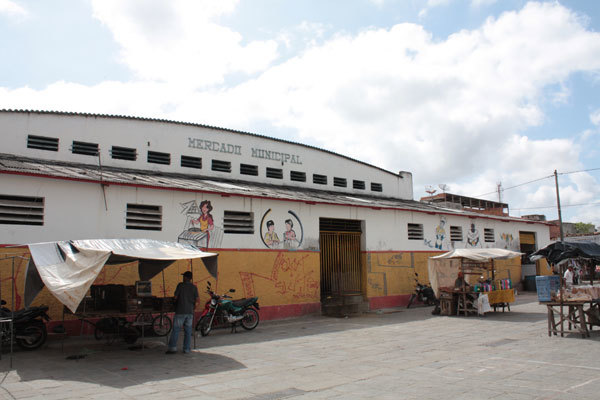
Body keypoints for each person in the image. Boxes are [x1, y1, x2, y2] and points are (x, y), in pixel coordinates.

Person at [166, 271, 199, 354]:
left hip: (180, 311)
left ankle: (172, 348)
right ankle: (186, 349)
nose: (183, 277)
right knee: (188, 331)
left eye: (184, 276)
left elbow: (175, 297)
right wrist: (193, 308)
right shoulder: (194, 287)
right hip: (190, 311)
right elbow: (197, 300)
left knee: (176, 330)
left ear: (186, 278)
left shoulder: (180, 285)